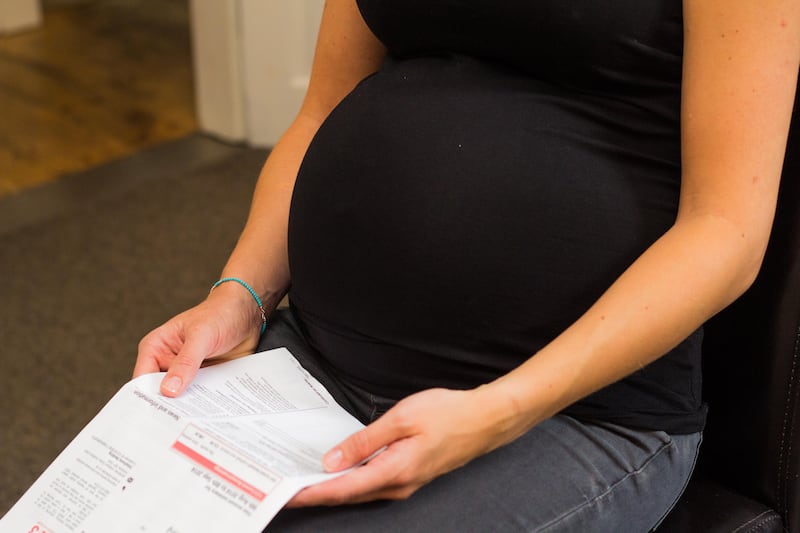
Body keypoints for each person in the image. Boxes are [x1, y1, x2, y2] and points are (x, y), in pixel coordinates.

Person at [134, 1, 800, 531]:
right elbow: (321, 111)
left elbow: (726, 230)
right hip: (313, 363)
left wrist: (502, 410)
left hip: (566, 416)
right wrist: (239, 294)